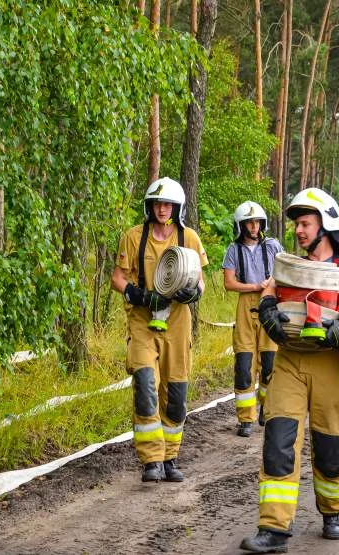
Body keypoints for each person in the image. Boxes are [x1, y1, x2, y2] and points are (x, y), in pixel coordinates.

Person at [240, 187, 339, 553]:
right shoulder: (288, 267)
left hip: (331, 368)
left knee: (330, 444)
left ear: (325, 225)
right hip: (289, 363)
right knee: (278, 442)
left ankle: (333, 512)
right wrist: (267, 313)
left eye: (304, 223)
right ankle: (274, 529)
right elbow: (268, 296)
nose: (298, 231)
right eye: (297, 224)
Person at [111, 177, 209, 483]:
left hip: (177, 324)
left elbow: (201, 281)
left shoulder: (188, 238)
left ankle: (170, 458)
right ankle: (150, 460)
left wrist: (193, 293)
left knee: (175, 393)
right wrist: (139, 295)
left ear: (177, 207)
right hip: (143, 320)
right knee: (145, 385)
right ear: (149, 206)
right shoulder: (133, 237)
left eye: (167, 204)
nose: (162, 209)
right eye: (157, 204)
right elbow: (117, 278)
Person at [222, 201, 284, 437]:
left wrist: (271, 285)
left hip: (270, 304)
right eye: (249, 222)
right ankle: (245, 419)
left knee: (270, 364)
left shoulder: (273, 246)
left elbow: (285, 269)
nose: (254, 226)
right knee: (244, 365)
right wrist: (254, 286)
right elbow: (229, 283)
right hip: (246, 306)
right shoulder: (233, 250)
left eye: (257, 221)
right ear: (241, 225)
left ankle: (266, 409)